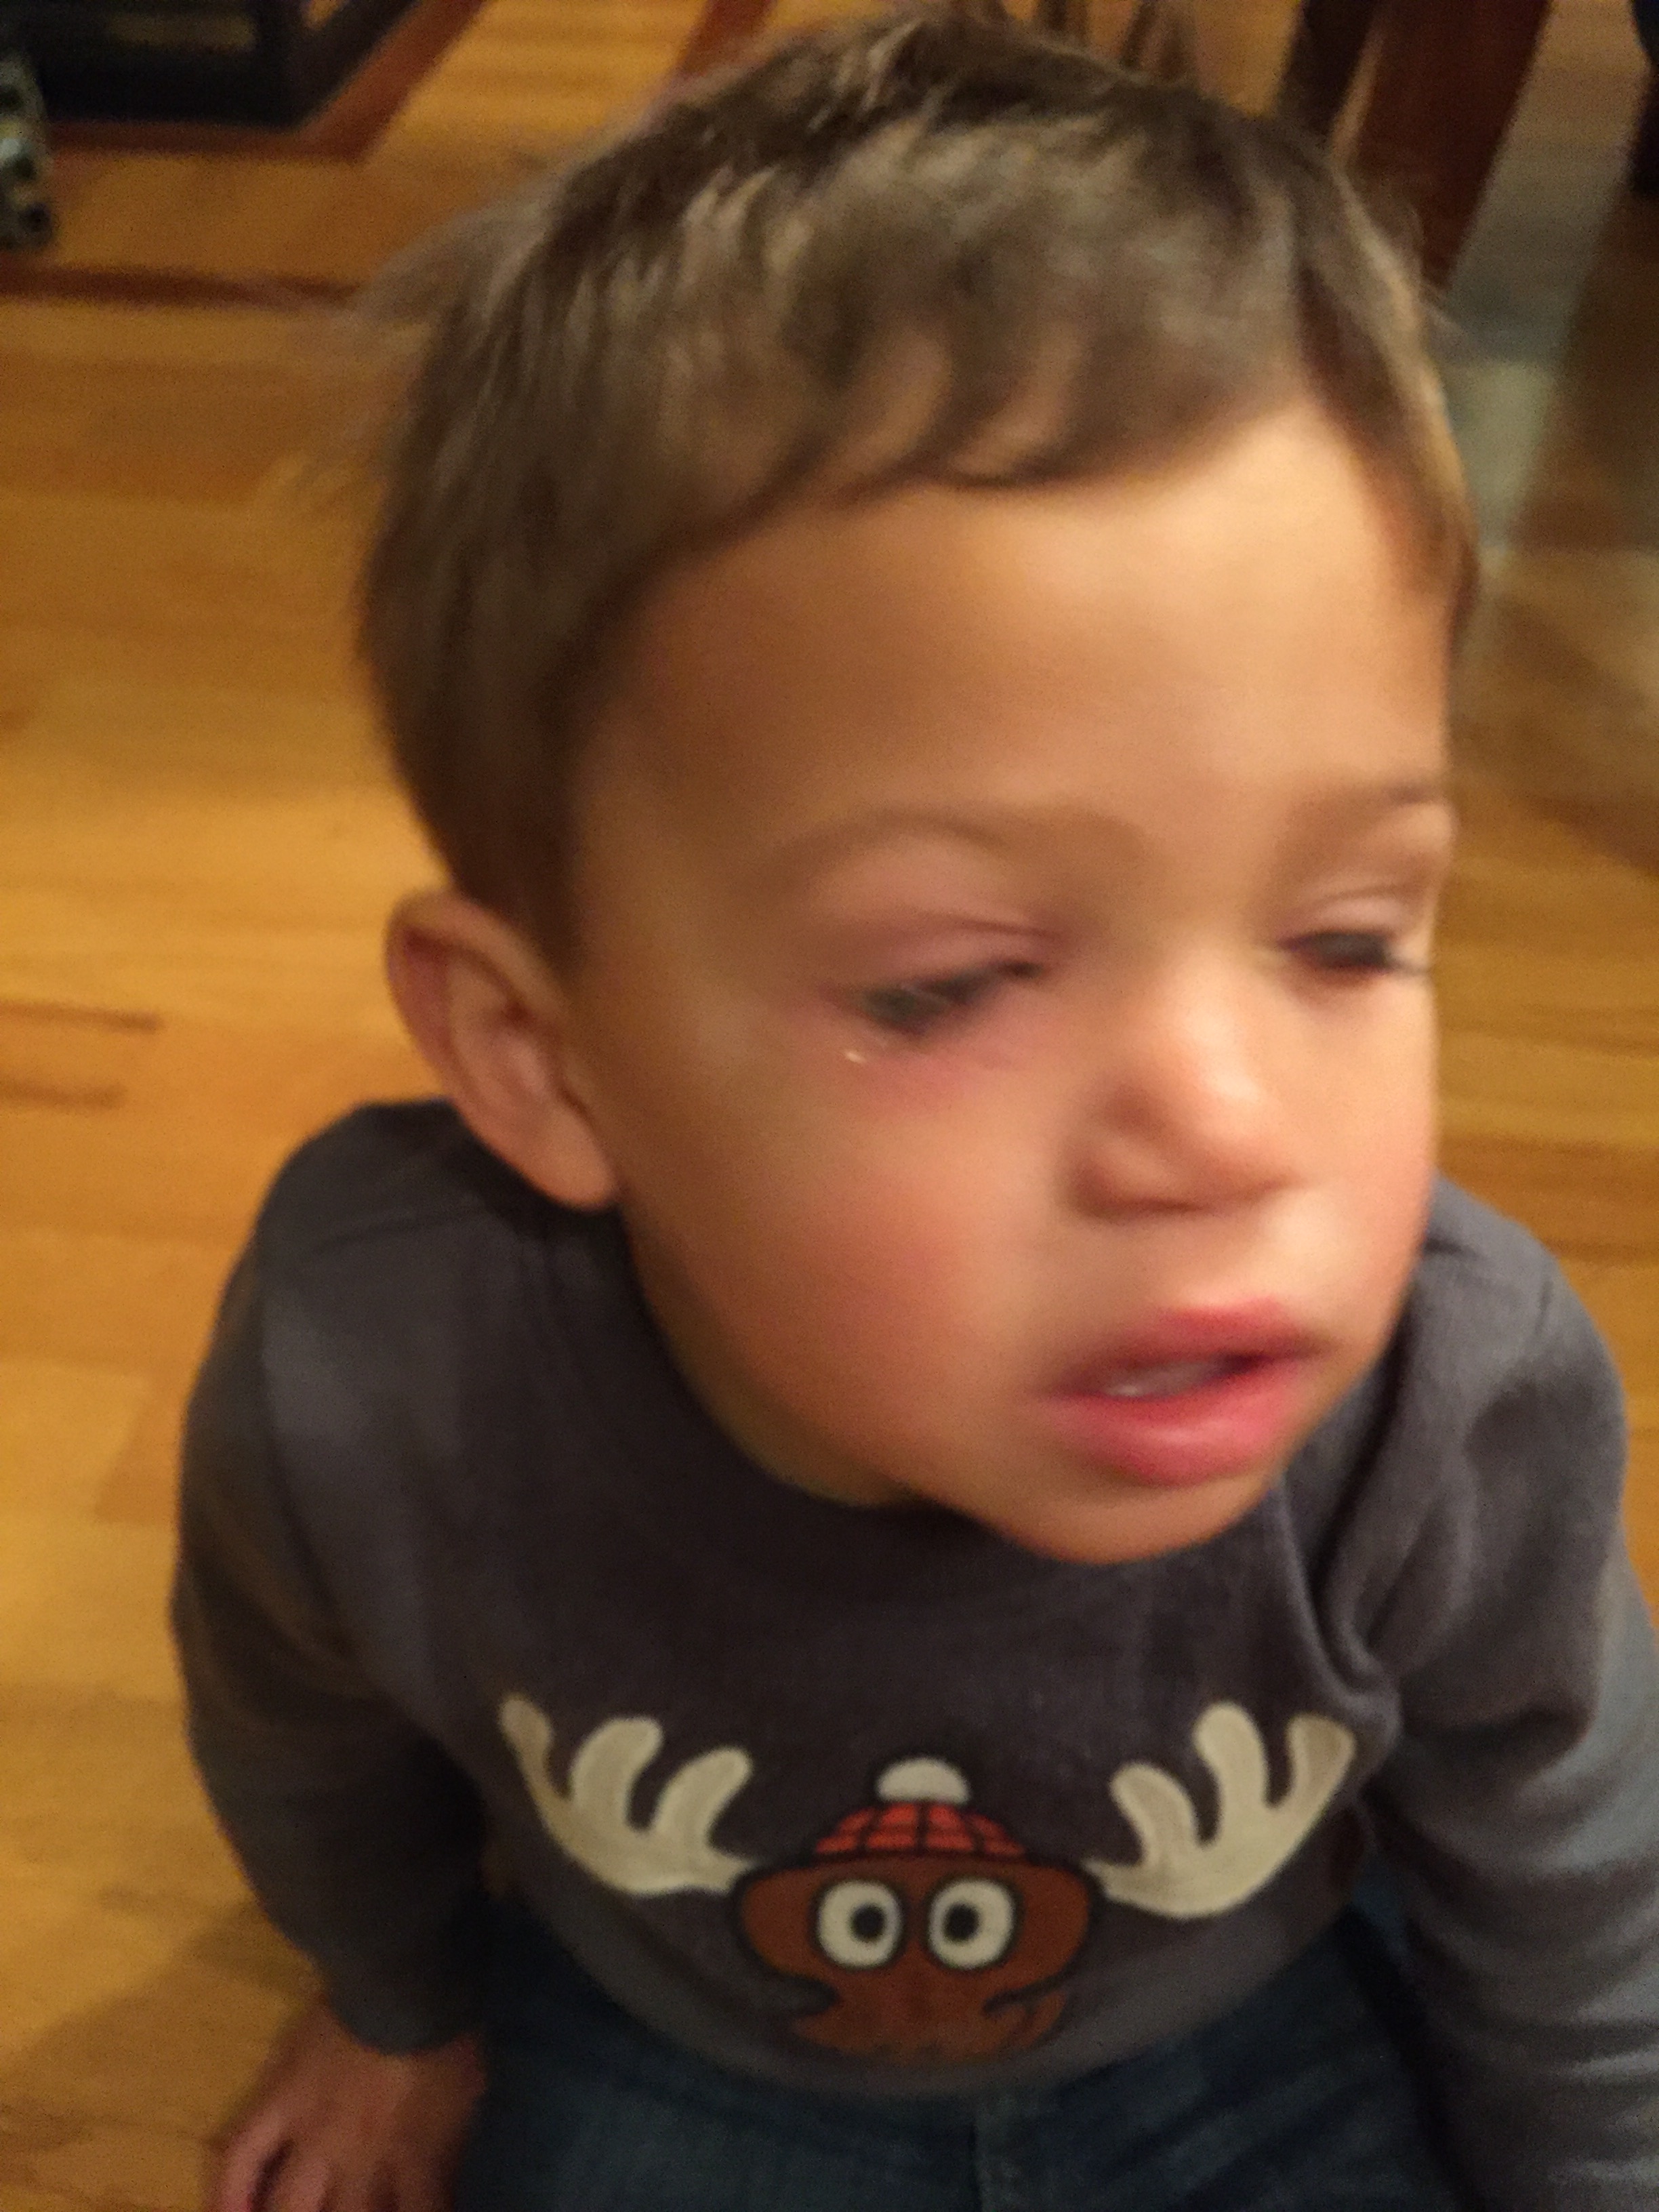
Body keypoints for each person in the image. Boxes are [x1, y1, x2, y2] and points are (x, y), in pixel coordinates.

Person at [173, 7, 1659, 2209]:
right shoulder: (371, 1366)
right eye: (947, 983)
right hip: (680, 2040)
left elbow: (1571, 1863)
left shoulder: (1457, 1400)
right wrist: (397, 2000)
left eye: (1348, 939)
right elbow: (298, 1719)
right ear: (544, 1059)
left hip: (1257, 2032)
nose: (1228, 1125)